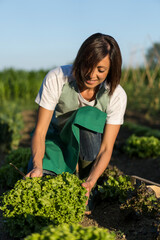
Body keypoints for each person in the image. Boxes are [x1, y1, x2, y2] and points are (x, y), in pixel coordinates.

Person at [26, 33, 127, 212]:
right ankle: (58, 166)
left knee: (87, 116)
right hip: (57, 138)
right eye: (87, 65)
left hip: (89, 146)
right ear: (80, 59)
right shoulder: (57, 78)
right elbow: (40, 131)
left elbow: (106, 149)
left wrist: (91, 181)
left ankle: (86, 184)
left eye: (101, 70)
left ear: (111, 69)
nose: (91, 74)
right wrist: (37, 165)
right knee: (45, 187)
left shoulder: (116, 95)